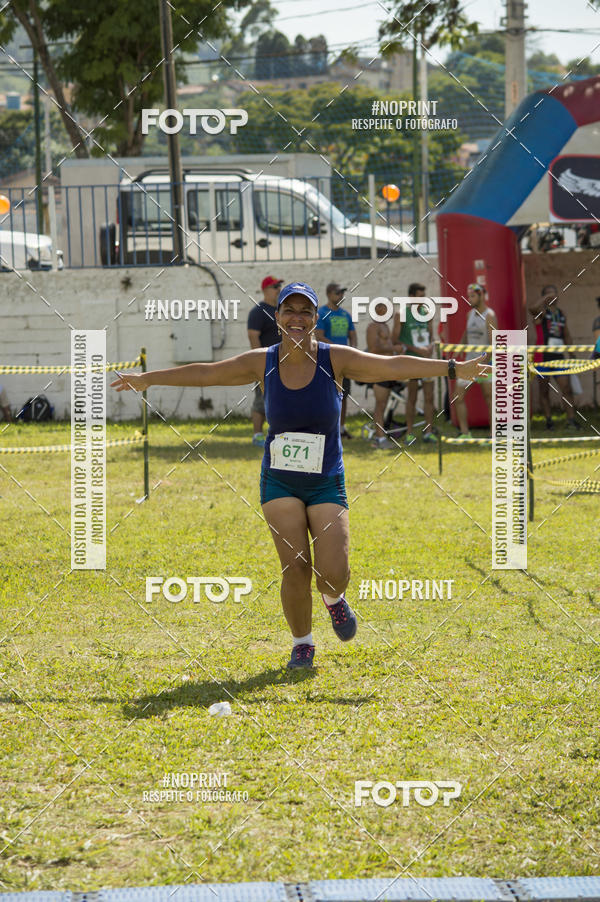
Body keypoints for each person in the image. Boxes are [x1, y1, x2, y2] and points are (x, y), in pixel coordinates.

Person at [112, 281, 489, 670]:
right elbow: (208, 373)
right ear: (277, 317)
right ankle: (302, 644)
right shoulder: (262, 361)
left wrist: (453, 368)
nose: (297, 318)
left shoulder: (334, 358)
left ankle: (333, 598)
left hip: (326, 481)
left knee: (334, 573)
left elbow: (391, 366)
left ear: (315, 318)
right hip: (280, 481)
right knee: (295, 566)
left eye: (305, 311)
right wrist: (149, 378)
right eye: (289, 311)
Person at [392, 282, 436, 445]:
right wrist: (416, 349)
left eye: (424, 296)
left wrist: (430, 347)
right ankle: (410, 434)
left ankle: (429, 432)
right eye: (420, 296)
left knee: (429, 397)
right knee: (412, 397)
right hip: (411, 361)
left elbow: (431, 337)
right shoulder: (401, 314)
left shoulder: (427, 313)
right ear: (411, 297)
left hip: (426, 362)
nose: (423, 299)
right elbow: (394, 340)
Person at [315, 282, 357, 439]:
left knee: (343, 395)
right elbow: (319, 336)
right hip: (327, 360)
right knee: (325, 395)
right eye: (337, 293)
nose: (341, 296)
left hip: (344, 362)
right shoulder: (322, 313)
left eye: (342, 293)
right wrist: (338, 349)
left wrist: (352, 350)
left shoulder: (346, 314)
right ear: (329, 294)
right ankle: (325, 429)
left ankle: (341, 428)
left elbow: (352, 334)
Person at [535, 284, 581, 430]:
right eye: (548, 294)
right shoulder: (541, 312)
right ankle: (549, 421)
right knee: (544, 390)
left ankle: (571, 420)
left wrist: (572, 354)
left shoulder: (561, 313)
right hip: (542, 357)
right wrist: (544, 299)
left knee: (566, 388)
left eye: (554, 293)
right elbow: (532, 309)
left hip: (559, 356)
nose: (552, 296)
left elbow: (566, 334)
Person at [454, 284, 497, 437]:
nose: (469, 299)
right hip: (468, 363)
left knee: (490, 399)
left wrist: (485, 363)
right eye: (469, 296)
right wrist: (459, 348)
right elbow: (467, 333)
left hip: (485, 363)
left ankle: (493, 434)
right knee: (458, 397)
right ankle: (465, 433)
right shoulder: (469, 314)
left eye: (472, 296)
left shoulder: (489, 315)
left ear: (482, 296)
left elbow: (493, 343)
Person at [247, 275, 282, 446]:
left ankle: (278, 434)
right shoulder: (258, 311)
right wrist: (260, 361)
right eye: (275, 287)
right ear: (265, 290)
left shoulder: (281, 311)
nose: (278, 289)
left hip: (283, 363)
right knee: (261, 400)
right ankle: (257, 435)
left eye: (279, 286)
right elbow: (253, 336)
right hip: (265, 362)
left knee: (280, 400)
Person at [366, 301, 406, 448]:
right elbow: (373, 349)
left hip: (388, 369)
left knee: (385, 404)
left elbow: (386, 346)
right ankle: (380, 438)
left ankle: (382, 435)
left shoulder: (385, 326)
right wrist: (394, 348)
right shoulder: (373, 327)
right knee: (380, 404)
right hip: (379, 369)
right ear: (378, 310)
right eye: (386, 309)